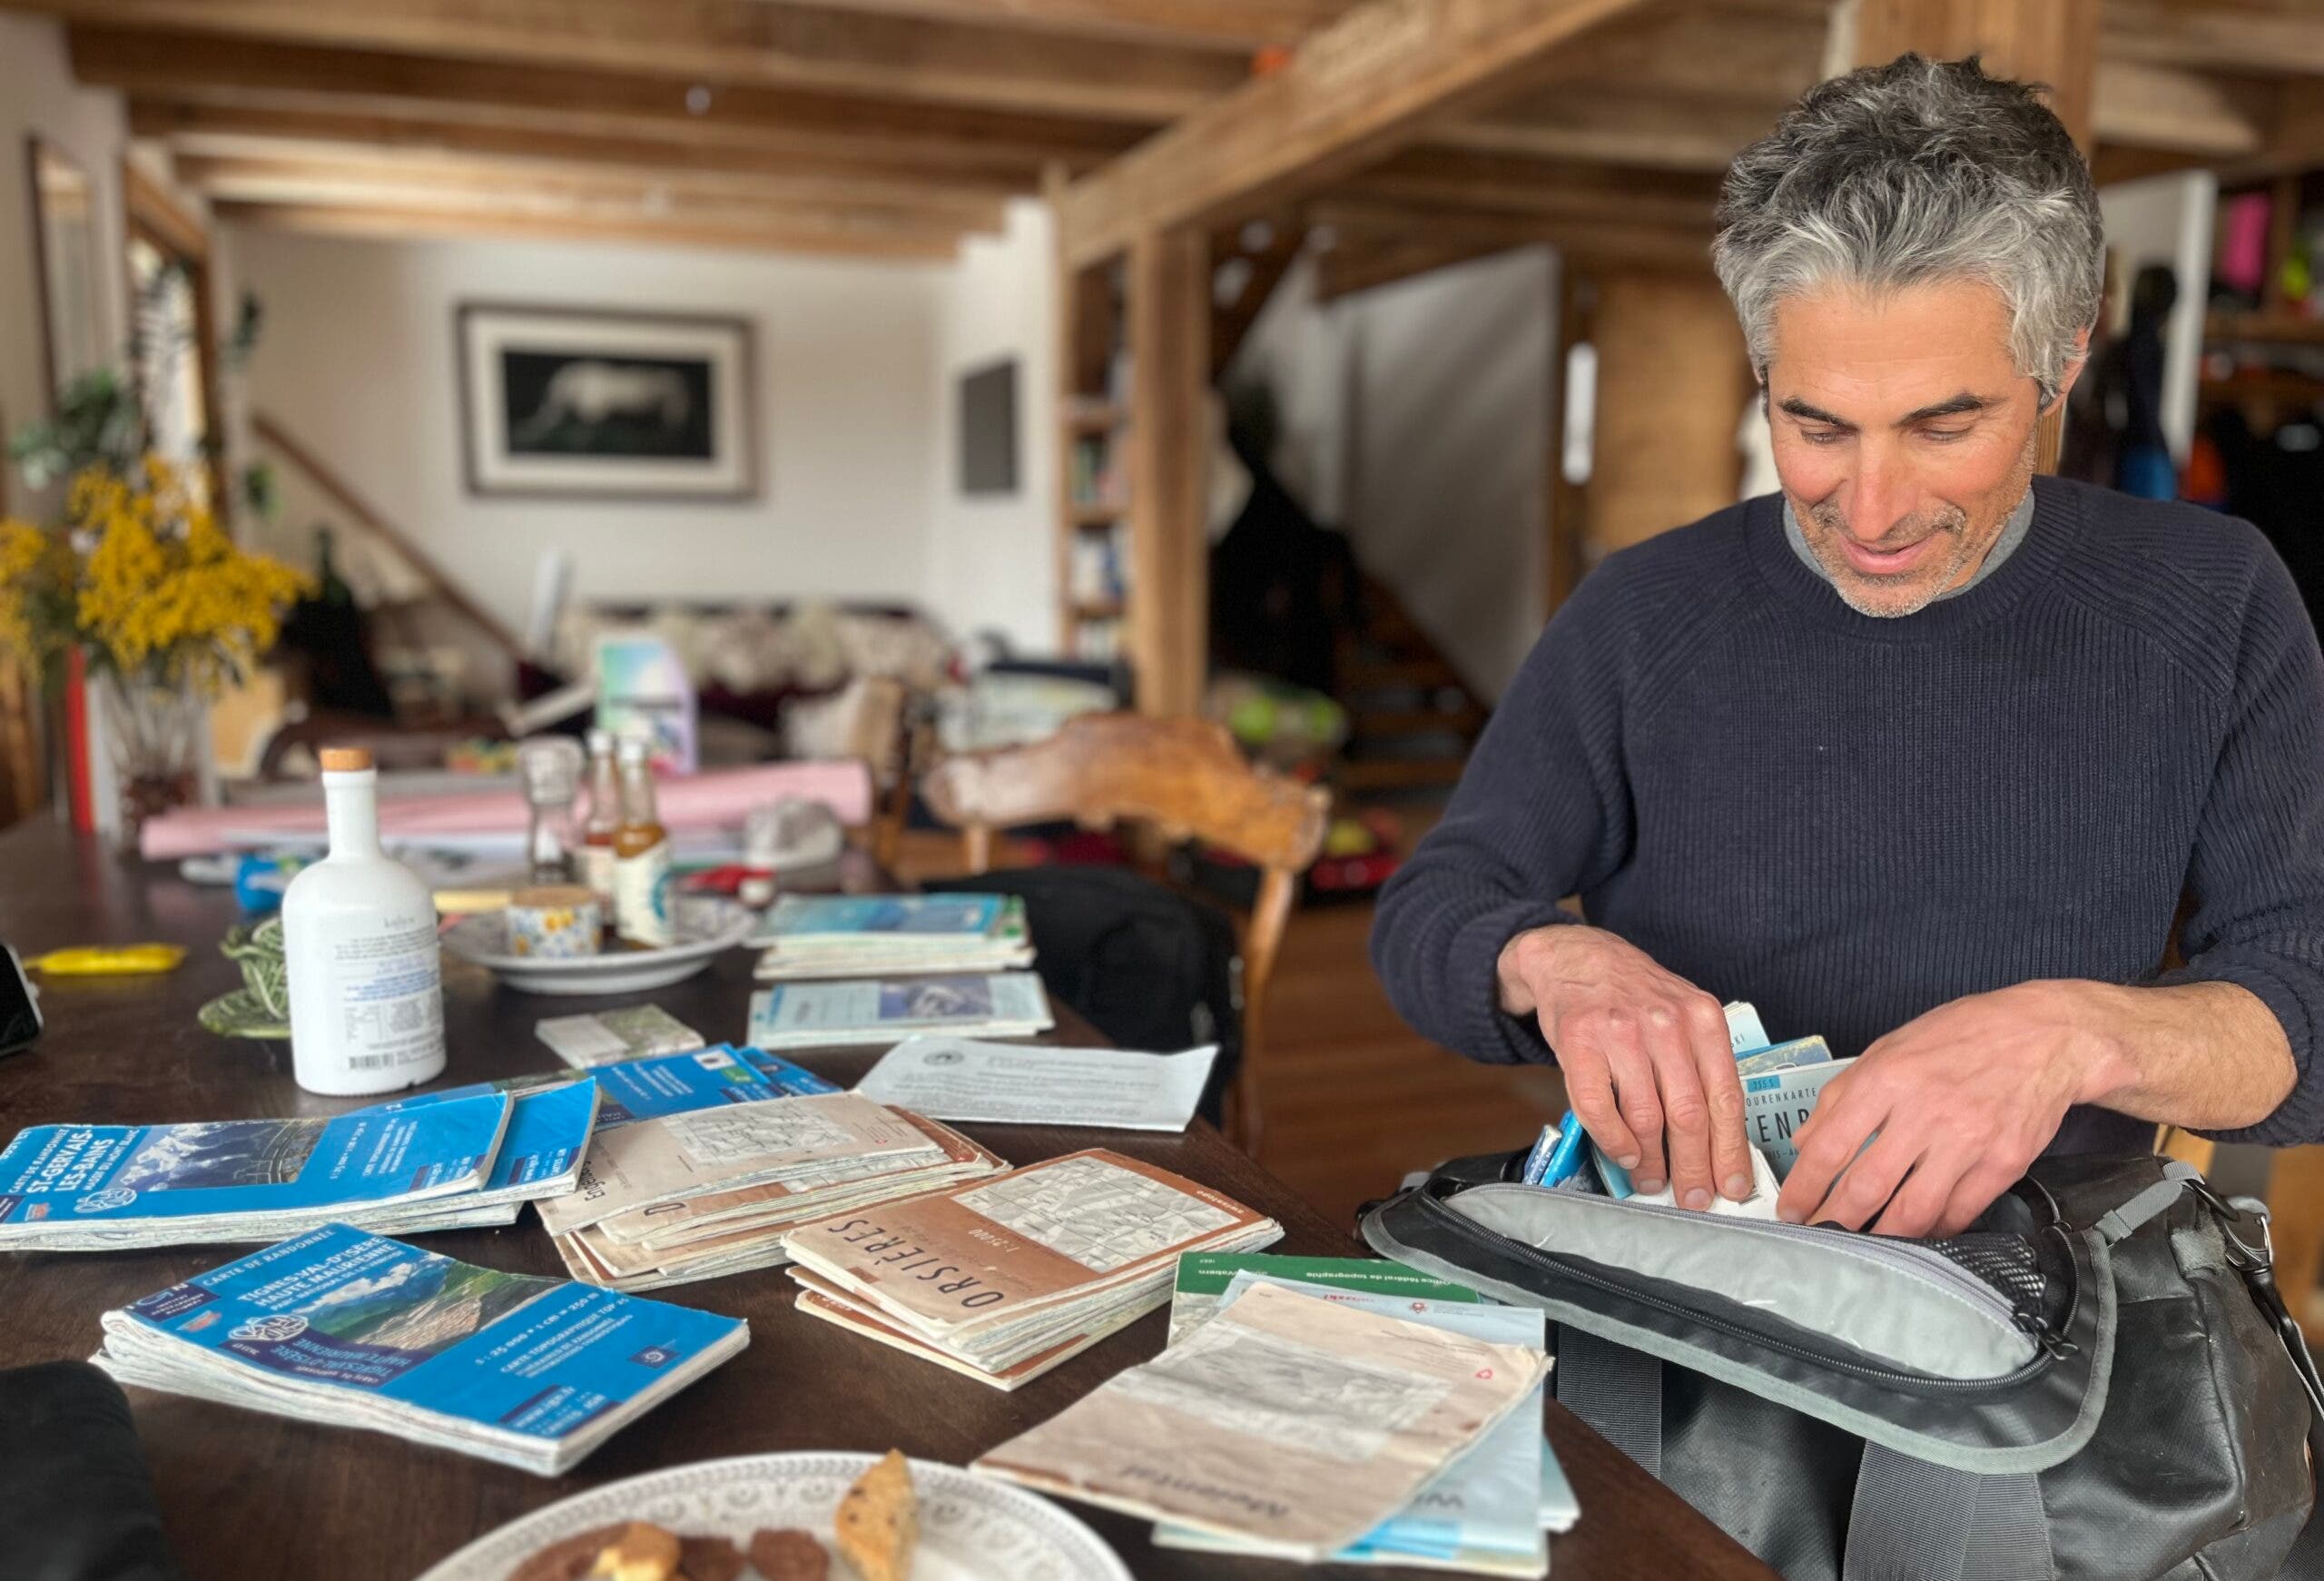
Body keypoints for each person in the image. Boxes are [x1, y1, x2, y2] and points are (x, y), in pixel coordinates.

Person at [1371, 54, 2324, 1240]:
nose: (1869, 513)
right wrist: (1557, 963)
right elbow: (1434, 903)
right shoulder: (1642, 611)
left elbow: (2306, 995)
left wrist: (2075, 1034)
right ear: (1764, 374)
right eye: (1814, 426)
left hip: (2032, 1305)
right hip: (1691, 1270)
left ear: (2063, 364)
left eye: (1944, 425)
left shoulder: (2215, 600)